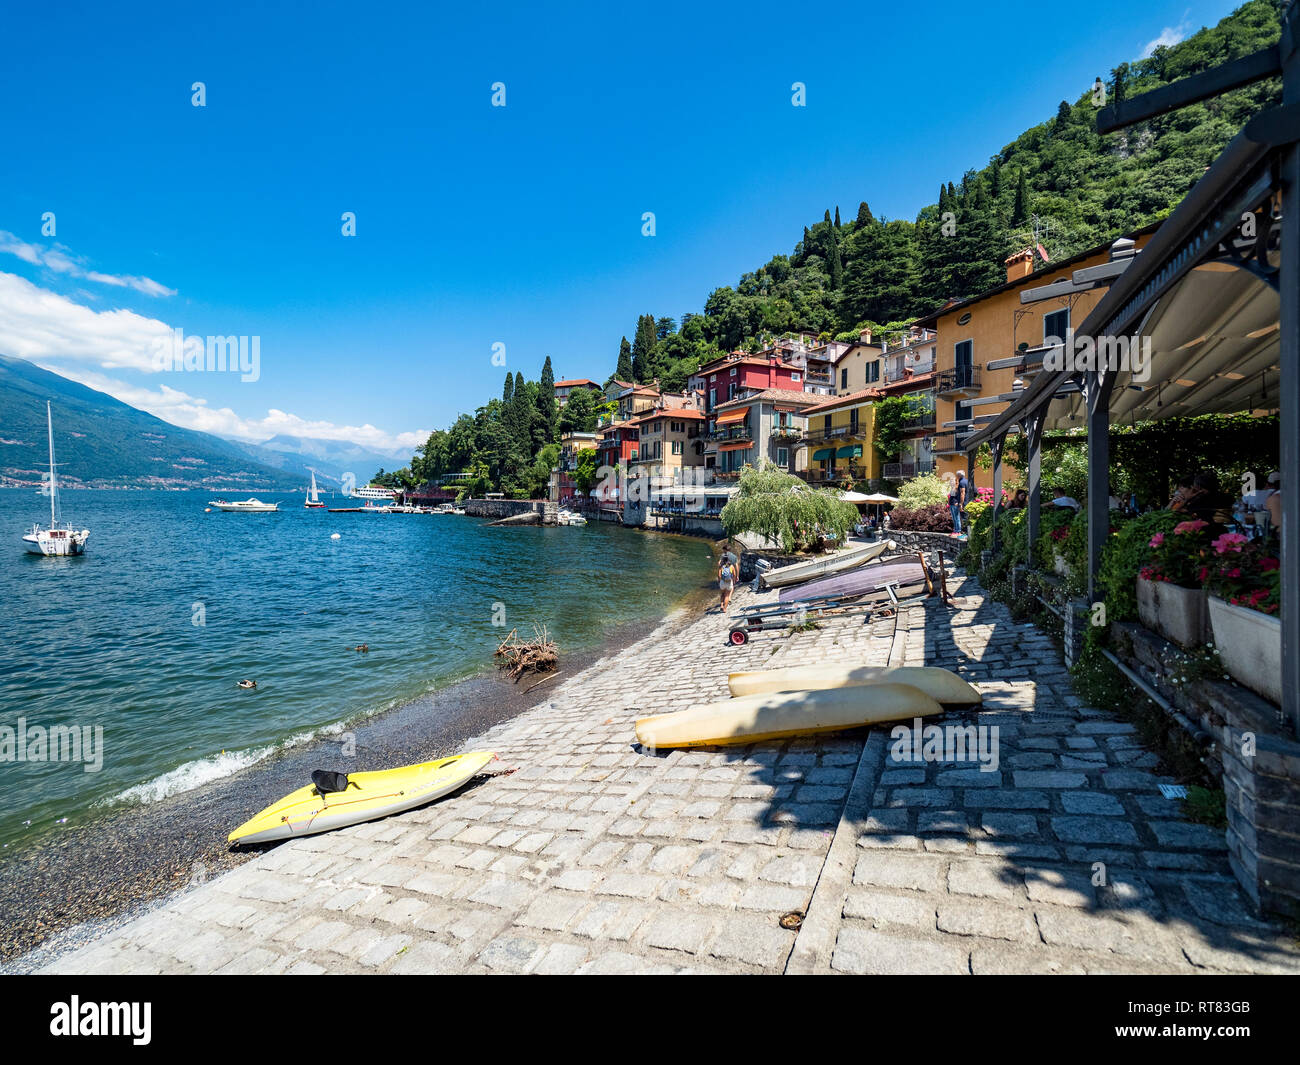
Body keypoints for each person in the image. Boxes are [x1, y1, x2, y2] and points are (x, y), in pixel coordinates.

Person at [717, 549, 738, 613]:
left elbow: (719, 575)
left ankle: (721, 605)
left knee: (722, 594)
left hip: (722, 582)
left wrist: (719, 581)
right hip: (729, 582)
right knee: (727, 596)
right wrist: (734, 580)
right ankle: (725, 609)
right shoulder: (731, 566)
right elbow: (734, 575)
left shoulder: (721, 566)